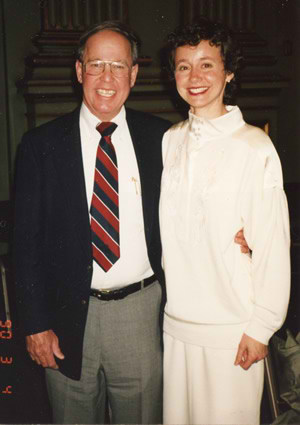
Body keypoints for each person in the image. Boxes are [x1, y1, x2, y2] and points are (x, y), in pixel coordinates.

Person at [14, 20, 249, 425]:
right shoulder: (41, 146)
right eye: (96, 65)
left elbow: (201, 201)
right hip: (67, 318)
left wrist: (244, 234)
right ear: (78, 71)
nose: (107, 78)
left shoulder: (163, 138)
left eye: (119, 66)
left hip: (141, 314)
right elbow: (25, 244)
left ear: (134, 74)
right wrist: (36, 324)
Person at [159, 18, 291, 425]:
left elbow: (272, 242)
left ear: (229, 71)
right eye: (183, 66)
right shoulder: (171, 140)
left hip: (232, 332)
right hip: (178, 327)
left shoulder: (254, 146)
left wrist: (261, 327)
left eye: (206, 64)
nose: (194, 77)